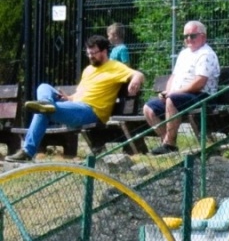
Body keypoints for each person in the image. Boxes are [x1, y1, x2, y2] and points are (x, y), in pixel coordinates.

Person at [8, 34, 144, 163]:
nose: (90, 56)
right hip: (76, 106)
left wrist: (136, 79)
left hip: (91, 111)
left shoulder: (115, 67)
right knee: (43, 87)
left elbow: (138, 74)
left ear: (104, 51)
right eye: (88, 53)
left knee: (43, 112)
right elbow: (81, 93)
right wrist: (69, 98)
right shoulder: (88, 70)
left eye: (93, 53)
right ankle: (46, 103)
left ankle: (28, 151)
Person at [142, 20, 220, 155]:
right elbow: (174, 77)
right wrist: (167, 91)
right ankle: (166, 142)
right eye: (186, 36)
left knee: (172, 99)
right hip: (181, 96)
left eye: (192, 36)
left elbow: (199, 83)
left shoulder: (206, 54)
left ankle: (169, 144)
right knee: (149, 108)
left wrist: (174, 93)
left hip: (202, 96)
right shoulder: (184, 54)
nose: (188, 39)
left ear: (203, 36)